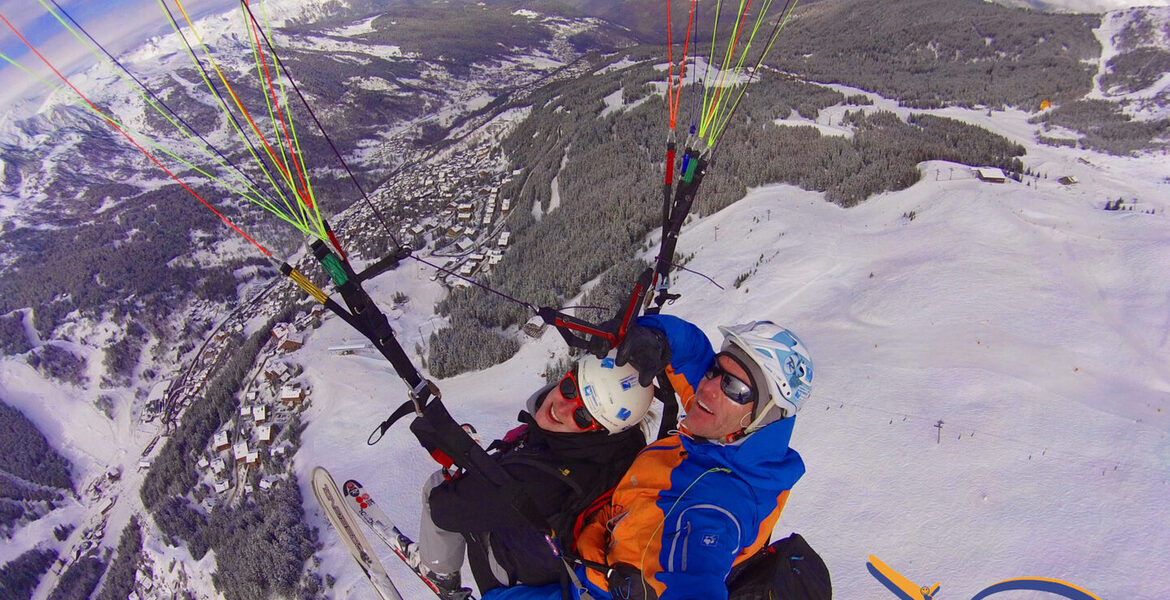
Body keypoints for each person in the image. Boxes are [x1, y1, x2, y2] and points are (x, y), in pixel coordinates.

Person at [483, 314, 813, 600]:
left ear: (764, 415)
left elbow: (695, 576)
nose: (707, 387)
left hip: (593, 586)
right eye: (715, 371)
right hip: (603, 529)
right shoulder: (732, 436)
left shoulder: (716, 504)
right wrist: (656, 337)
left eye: (734, 388)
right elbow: (693, 351)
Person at [412, 349, 656, 599]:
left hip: (516, 577)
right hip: (556, 563)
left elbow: (444, 508)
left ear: (598, 431)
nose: (561, 409)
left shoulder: (540, 481)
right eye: (570, 389)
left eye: (582, 416)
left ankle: (440, 575)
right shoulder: (623, 442)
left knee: (439, 486)